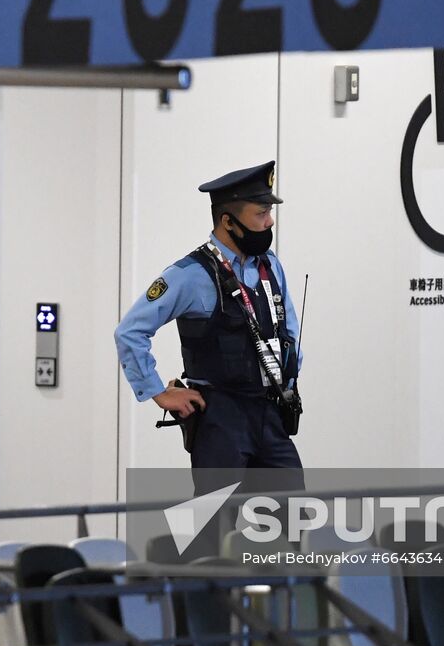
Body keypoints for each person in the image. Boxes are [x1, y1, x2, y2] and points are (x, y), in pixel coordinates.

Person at [115, 160, 303, 470]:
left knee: (293, 515)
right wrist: (158, 392)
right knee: (216, 517)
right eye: (261, 214)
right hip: (221, 421)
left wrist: (290, 382)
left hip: (271, 413)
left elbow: (289, 331)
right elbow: (130, 331)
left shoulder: (270, 266)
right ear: (228, 222)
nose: (270, 222)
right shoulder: (190, 275)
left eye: (269, 212)